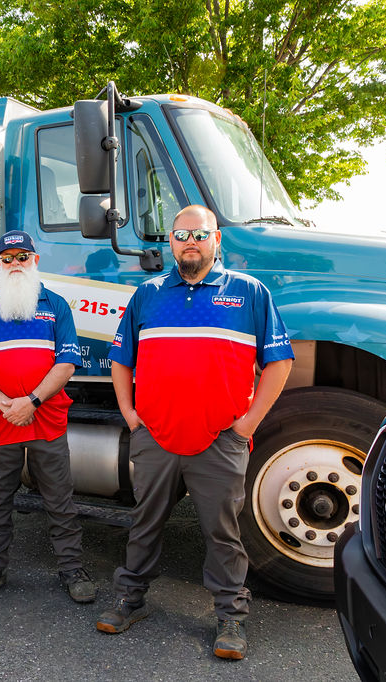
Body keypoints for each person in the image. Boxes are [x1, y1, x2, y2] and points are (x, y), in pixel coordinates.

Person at [95, 205, 294, 660]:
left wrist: (247, 424)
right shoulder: (147, 294)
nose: (190, 241)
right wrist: (129, 414)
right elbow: (122, 359)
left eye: (199, 234)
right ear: (170, 240)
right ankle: (131, 599)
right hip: (156, 437)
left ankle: (230, 617)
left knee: (222, 532)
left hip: (220, 440)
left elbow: (279, 362)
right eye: (181, 234)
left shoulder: (248, 293)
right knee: (144, 522)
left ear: (216, 239)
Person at [0, 230, 96, 603]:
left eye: (23, 257)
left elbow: (67, 362)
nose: (16, 264)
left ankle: (72, 569)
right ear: (0, 265)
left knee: (59, 497)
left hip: (46, 417)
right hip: (1, 417)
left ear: (35, 261)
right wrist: (5, 402)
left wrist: (31, 402)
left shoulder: (56, 306)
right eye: (8, 258)